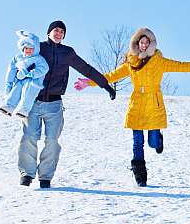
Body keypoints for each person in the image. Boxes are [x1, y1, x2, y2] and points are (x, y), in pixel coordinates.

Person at [74, 27, 190, 187]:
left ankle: (158, 140)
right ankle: (140, 175)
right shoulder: (130, 63)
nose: (144, 45)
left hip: (153, 103)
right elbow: (110, 76)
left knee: (152, 143)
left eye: (146, 42)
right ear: (137, 44)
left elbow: (181, 66)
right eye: (141, 42)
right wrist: (89, 82)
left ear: (151, 43)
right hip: (137, 104)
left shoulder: (158, 61)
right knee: (137, 142)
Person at [17, 20, 116, 188]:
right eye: (56, 30)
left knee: (52, 140)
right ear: (48, 32)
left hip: (55, 104)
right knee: (29, 137)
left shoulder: (67, 53)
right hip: (33, 101)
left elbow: (86, 69)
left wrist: (105, 85)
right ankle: (27, 174)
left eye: (62, 32)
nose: (59, 33)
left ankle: (45, 177)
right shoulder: (39, 48)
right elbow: (22, 60)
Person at [0, 30, 49, 119]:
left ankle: (24, 109)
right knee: (16, 89)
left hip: (33, 80)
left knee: (28, 92)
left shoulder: (38, 59)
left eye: (31, 48)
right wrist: (9, 83)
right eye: (26, 48)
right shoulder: (18, 58)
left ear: (35, 49)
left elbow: (44, 68)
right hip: (20, 80)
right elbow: (11, 70)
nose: (28, 51)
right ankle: (8, 106)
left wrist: (30, 74)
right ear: (22, 48)